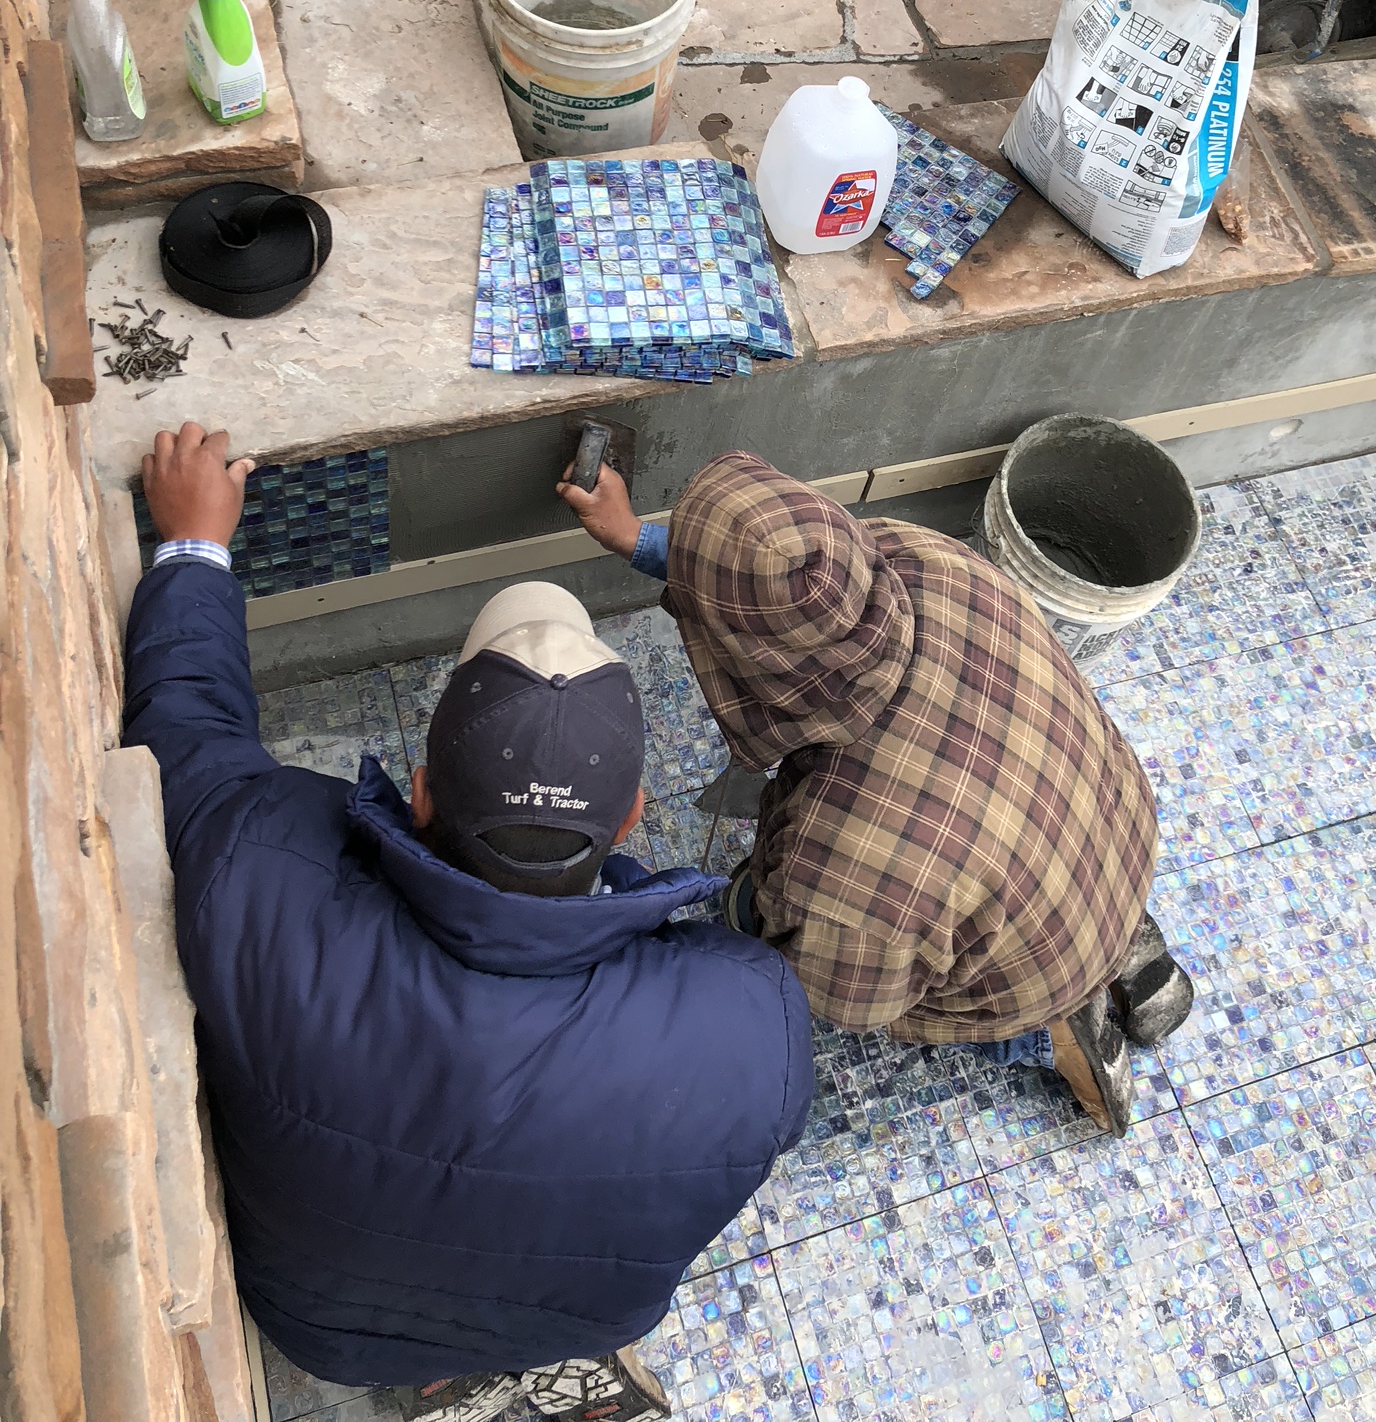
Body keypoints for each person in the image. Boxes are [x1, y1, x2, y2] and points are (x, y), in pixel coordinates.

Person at [125, 423, 813, 1422]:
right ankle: (511, 1368)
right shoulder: (752, 1026)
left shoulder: (261, 884)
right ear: (630, 815)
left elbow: (183, 730)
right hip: (573, 1320)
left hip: (321, 1326)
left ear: (417, 792)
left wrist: (194, 544)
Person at [558, 449, 1193, 1138]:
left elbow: (849, 998)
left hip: (1032, 957)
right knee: (1020, 866)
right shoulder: (925, 558)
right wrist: (641, 539)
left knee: (777, 931)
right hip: (1112, 824)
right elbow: (784, 583)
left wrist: (757, 907)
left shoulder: (844, 874)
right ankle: (1120, 937)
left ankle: (1050, 1032)